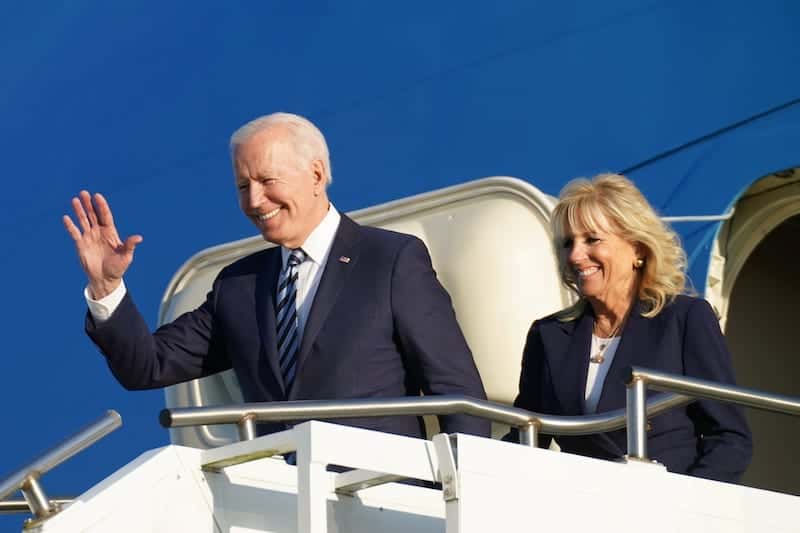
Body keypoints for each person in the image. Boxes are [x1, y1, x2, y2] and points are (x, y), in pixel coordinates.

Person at [63, 112, 489, 440]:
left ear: (317, 174)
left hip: (382, 500)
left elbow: (457, 393)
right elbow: (147, 367)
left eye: (267, 180)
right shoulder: (239, 285)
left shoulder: (390, 260)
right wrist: (106, 286)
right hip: (278, 508)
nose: (254, 200)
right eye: (242, 186)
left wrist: (458, 501)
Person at [509, 173, 752, 482]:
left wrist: (689, 508)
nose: (575, 255)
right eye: (568, 243)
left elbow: (730, 439)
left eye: (592, 239)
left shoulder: (684, 319)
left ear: (637, 248)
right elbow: (525, 442)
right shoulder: (548, 336)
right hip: (581, 507)